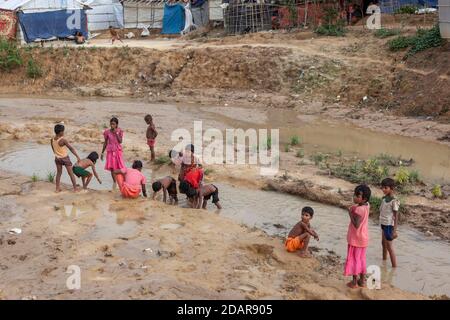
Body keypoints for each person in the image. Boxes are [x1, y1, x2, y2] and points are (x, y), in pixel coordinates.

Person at [344, 184, 371, 289]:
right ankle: (362, 281)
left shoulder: (359, 210)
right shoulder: (366, 206)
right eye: (354, 194)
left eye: (357, 196)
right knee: (361, 259)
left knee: (354, 259)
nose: (354, 197)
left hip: (356, 239)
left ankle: (354, 282)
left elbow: (356, 225)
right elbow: (359, 207)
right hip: (363, 238)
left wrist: (350, 213)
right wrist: (353, 207)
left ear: (363, 199)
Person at [50, 124, 81, 193]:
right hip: (65, 158)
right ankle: (75, 189)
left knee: (59, 173)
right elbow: (71, 148)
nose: (64, 133)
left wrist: (57, 154)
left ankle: (57, 189)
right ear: (60, 132)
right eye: (63, 131)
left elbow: (53, 149)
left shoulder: (52, 140)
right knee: (71, 173)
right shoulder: (63, 140)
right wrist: (77, 156)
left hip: (57, 158)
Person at [380, 178, 400, 268]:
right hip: (383, 223)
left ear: (392, 188)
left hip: (389, 225)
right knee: (383, 243)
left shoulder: (394, 201)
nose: (383, 189)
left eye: (385, 188)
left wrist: (395, 230)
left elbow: (396, 216)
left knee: (389, 246)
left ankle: (394, 267)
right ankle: (384, 261)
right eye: (382, 187)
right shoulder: (384, 199)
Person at [101, 117, 125, 190]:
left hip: (117, 151)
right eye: (111, 124)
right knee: (112, 168)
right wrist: (102, 152)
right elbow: (105, 142)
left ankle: (122, 181)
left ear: (116, 125)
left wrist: (116, 133)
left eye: (113, 124)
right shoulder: (107, 132)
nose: (112, 126)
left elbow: (120, 141)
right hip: (110, 151)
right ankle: (115, 183)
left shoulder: (120, 131)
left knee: (120, 167)